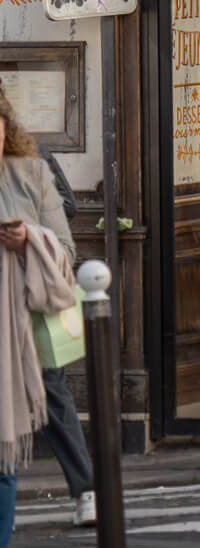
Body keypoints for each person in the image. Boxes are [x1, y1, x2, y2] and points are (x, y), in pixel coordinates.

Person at [0, 92, 78, 548]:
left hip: (15, 339)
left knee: (1, 461)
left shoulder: (30, 175)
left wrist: (30, 239)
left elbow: (66, 253)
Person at [37, 149, 94, 526]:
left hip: (33, 294)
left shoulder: (33, 157)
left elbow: (67, 207)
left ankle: (86, 491)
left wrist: (29, 229)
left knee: (52, 391)